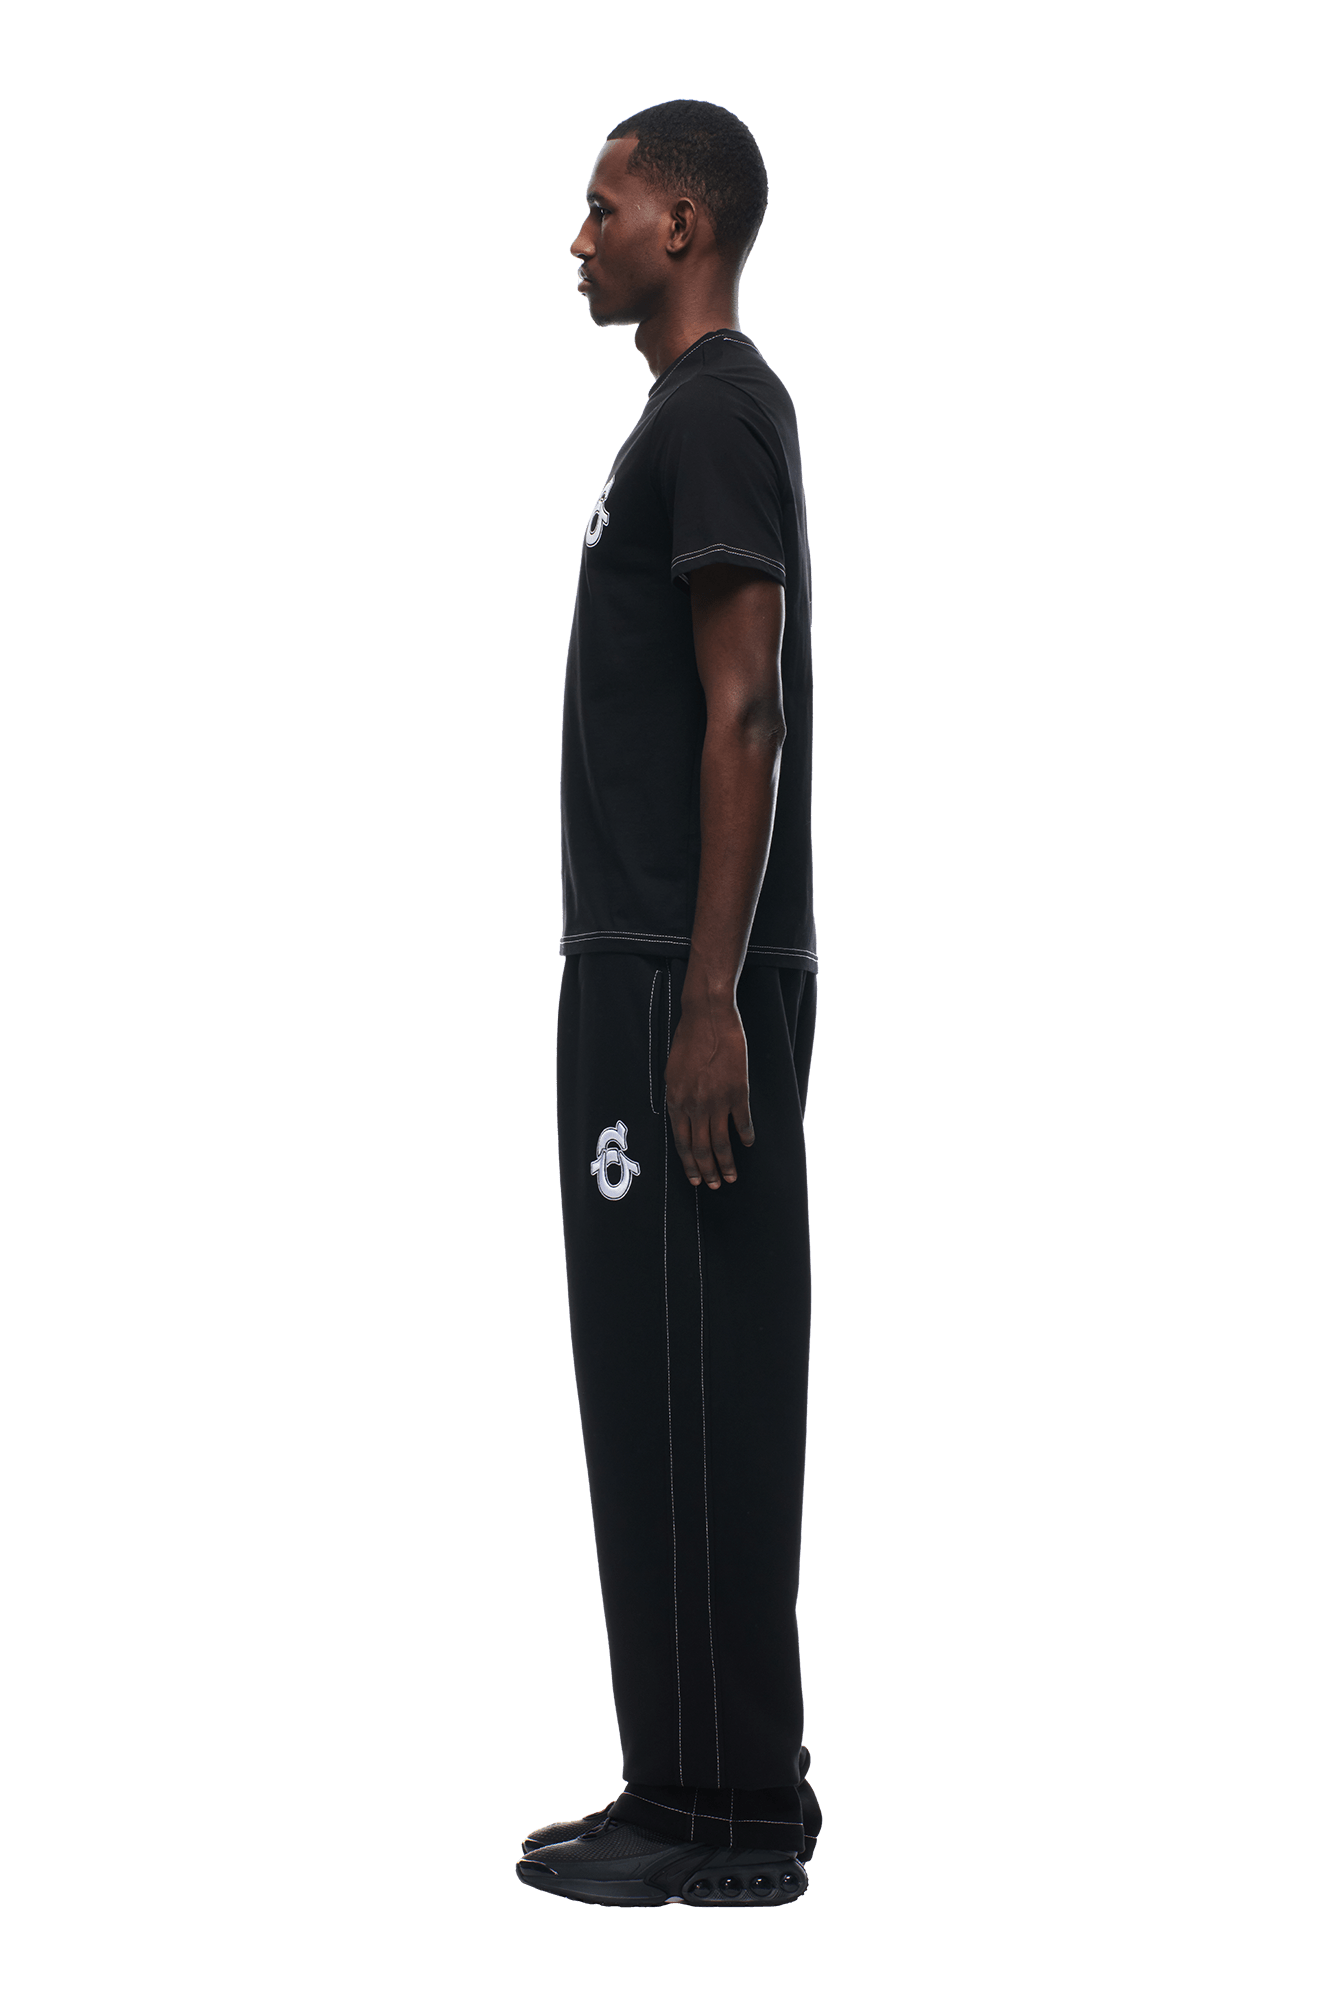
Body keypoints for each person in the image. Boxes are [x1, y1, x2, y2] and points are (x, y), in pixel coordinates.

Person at [515, 99, 821, 1910]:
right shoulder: (687, 420)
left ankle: (727, 1818)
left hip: (673, 980)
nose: (580, 237)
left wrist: (707, 1002)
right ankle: (687, 1780)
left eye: (602, 206)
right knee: (655, 1381)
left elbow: (746, 706)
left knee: (698, 1379)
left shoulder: (714, 414)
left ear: (684, 225)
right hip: (644, 970)